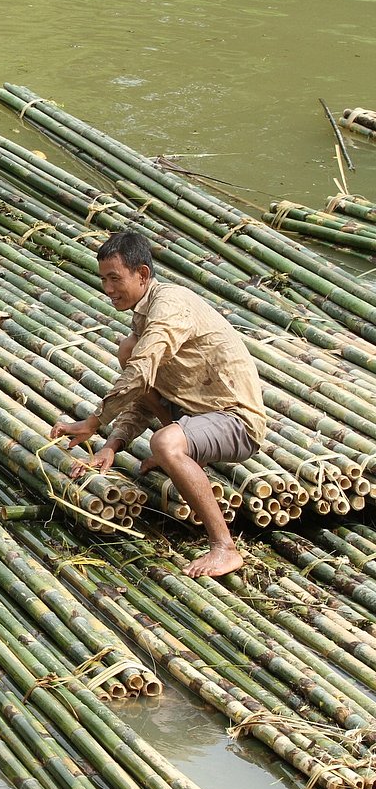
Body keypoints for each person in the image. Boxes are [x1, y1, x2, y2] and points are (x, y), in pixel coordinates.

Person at [49, 231, 265, 578]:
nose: (108, 289)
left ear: (143, 275)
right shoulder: (142, 315)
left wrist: (94, 420)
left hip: (235, 421)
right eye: (103, 279)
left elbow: (140, 373)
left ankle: (225, 547)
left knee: (163, 439)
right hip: (195, 415)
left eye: (115, 278)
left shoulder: (168, 307)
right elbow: (144, 392)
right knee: (128, 349)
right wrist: (112, 445)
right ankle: (181, 452)